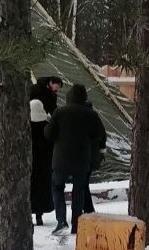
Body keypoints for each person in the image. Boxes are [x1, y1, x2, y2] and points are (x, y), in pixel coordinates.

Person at [45, 84, 107, 235]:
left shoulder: (59, 112)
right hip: (81, 159)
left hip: (61, 158)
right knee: (78, 191)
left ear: (68, 97)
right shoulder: (90, 114)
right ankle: (76, 224)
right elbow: (99, 135)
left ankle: (61, 221)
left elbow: (49, 134)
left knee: (57, 187)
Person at [29, 99, 54, 226]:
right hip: (45, 163)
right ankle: (39, 215)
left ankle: (29, 213)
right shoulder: (47, 125)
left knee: (30, 189)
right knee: (42, 188)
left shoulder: (26, 126)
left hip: (30, 164)